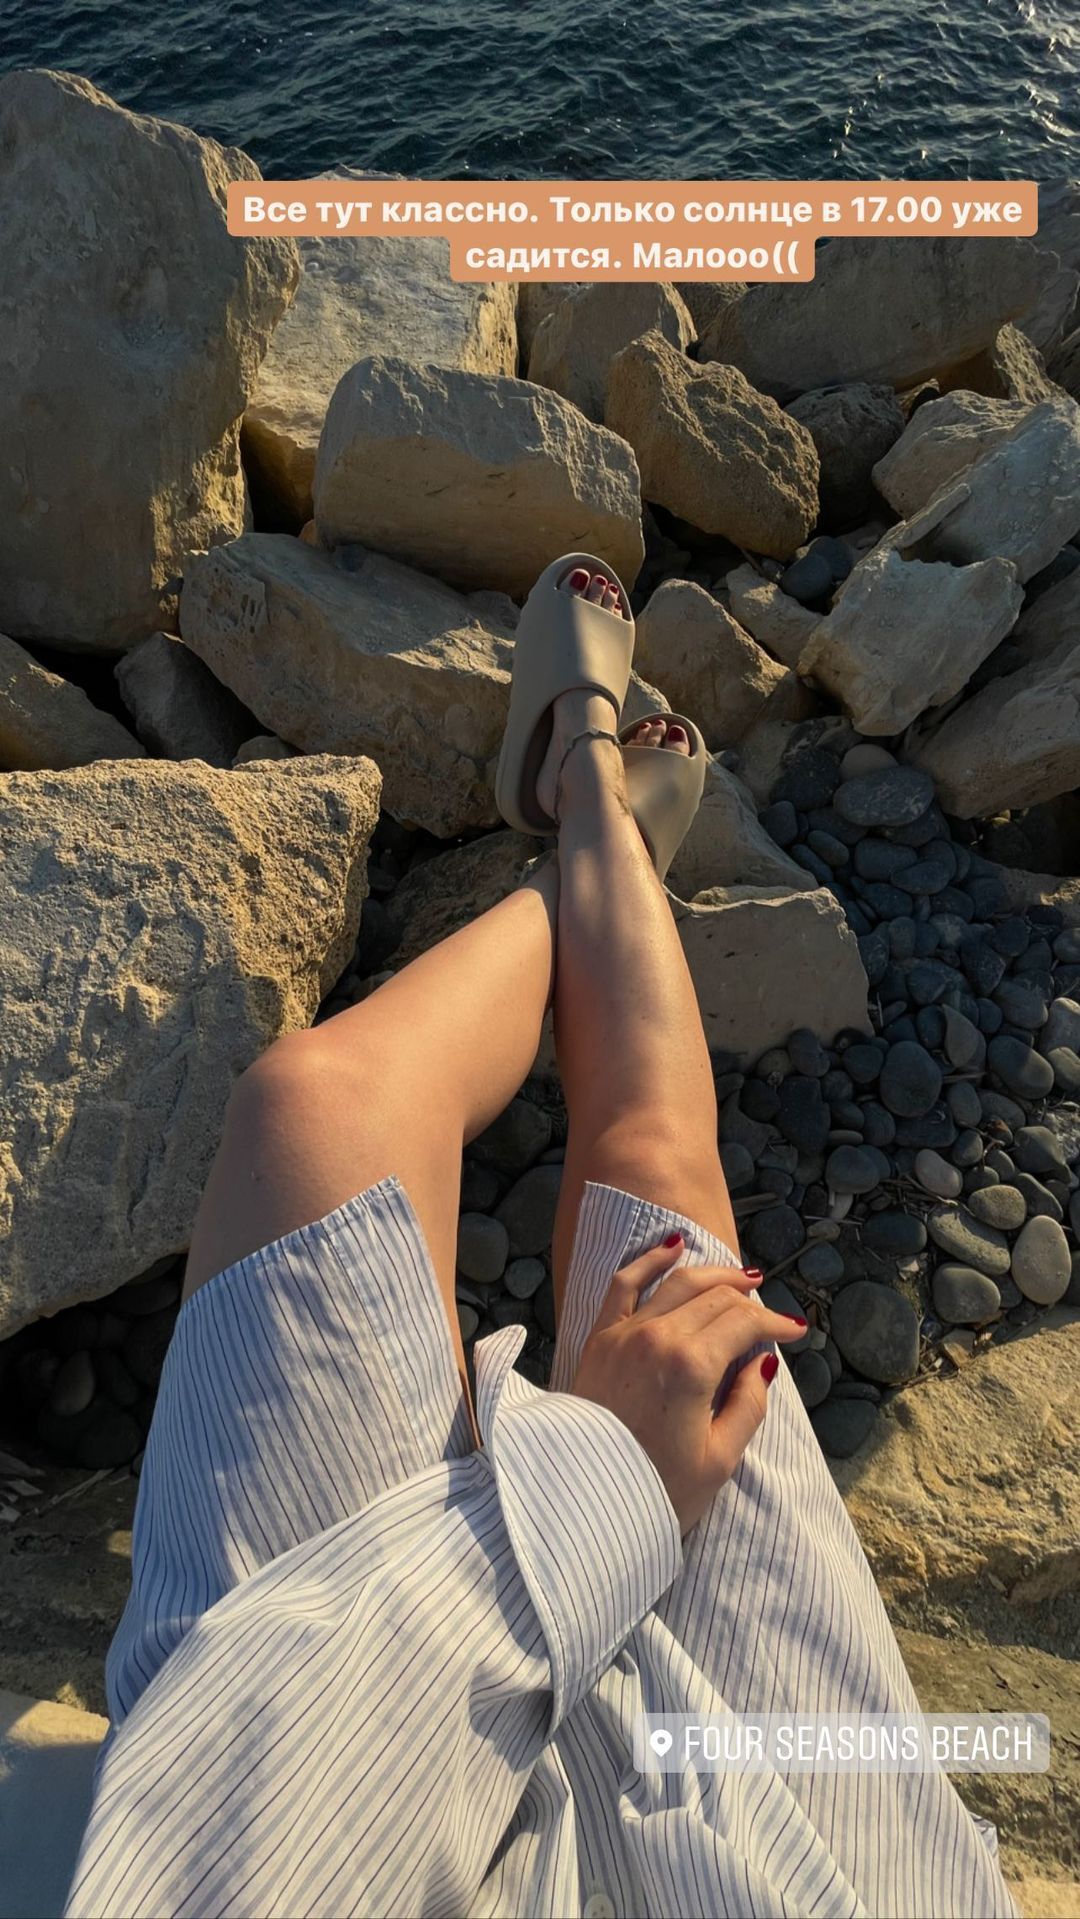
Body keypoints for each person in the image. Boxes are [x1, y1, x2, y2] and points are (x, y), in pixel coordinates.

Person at [65, 558, 1017, 1918]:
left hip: (297, 1779)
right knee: (658, 1178)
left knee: (313, 1112)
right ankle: (597, 834)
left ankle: (582, 822)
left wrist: (609, 1476)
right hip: (784, 1864)